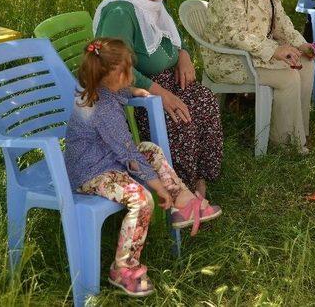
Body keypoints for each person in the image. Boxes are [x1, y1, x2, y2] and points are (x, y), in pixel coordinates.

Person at [64, 38, 222, 297]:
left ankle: (182, 201)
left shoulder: (104, 87)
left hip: (108, 160)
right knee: (142, 199)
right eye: (126, 73)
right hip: (90, 172)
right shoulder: (101, 109)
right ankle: (123, 267)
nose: (131, 77)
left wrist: (133, 92)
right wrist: (157, 186)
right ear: (107, 76)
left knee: (151, 148)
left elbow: (121, 96)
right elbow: (129, 156)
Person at [93, 0, 223, 197]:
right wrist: (159, 93)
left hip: (166, 85)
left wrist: (183, 54)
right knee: (180, 118)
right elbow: (113, 67)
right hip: (139, 96)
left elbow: (171, 40)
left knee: (205, 101)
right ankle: (180, 190)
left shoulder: (152, 5)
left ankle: (198, 179)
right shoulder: (121, 11)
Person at [204, 0, 315, 154]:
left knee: (305, 62)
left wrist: (300, 43)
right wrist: (275, 50)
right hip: (229, 57)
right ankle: (284, 143)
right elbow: (233, 33)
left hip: (256, 51)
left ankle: (299, 134)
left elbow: (280, 18)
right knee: (288, 75)